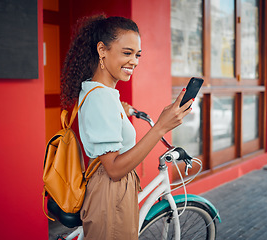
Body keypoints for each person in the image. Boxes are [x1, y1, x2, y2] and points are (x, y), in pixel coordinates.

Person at [59, 15, 193, 240]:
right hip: (111, 194)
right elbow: (114, 169)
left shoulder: (101, 92)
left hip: (113, 194)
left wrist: (124, 110)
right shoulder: (101, 97)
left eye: (138, 54)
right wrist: (160, 127)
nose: (135, 61)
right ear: (102, 50)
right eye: (127, 53)